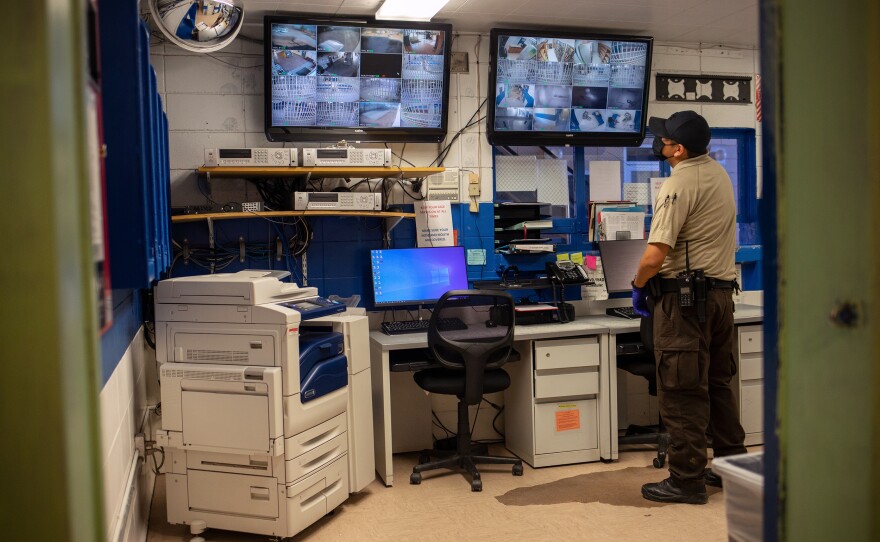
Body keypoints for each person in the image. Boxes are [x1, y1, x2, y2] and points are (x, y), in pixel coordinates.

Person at [630, 110, 746, 504]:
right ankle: (734, 469)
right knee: (718, 385)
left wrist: (638, 285)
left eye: (663, 140)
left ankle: (687, 480)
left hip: (685, 302)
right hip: (720, 299)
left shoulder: (678, 183)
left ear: (677, 149)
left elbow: (654, 255)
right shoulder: (718, 173)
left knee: (682, 390)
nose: (658, 145)